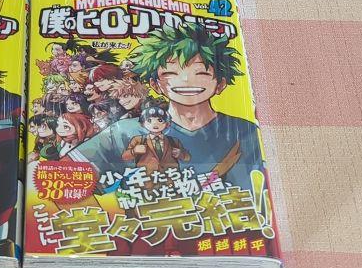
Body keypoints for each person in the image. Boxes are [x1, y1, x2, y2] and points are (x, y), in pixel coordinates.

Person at [70, 22, 262, 185]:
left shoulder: (243, 131)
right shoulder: (123, 132)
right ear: (155, 84)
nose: (186, 81)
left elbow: (259, 191)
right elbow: (67, 175)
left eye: (201, 72)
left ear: (220, 84)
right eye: (170, 73)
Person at [121, 104, 191, 172]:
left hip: (170, 176)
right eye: (149, 120)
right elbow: (124, 157)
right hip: (146, 177)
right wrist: (134, 151)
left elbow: (187, 157)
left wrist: (180, 154)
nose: (155, 124)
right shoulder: (138, 140)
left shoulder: (173, 140)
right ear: (143, 124)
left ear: (167, 124)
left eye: (160, 120)